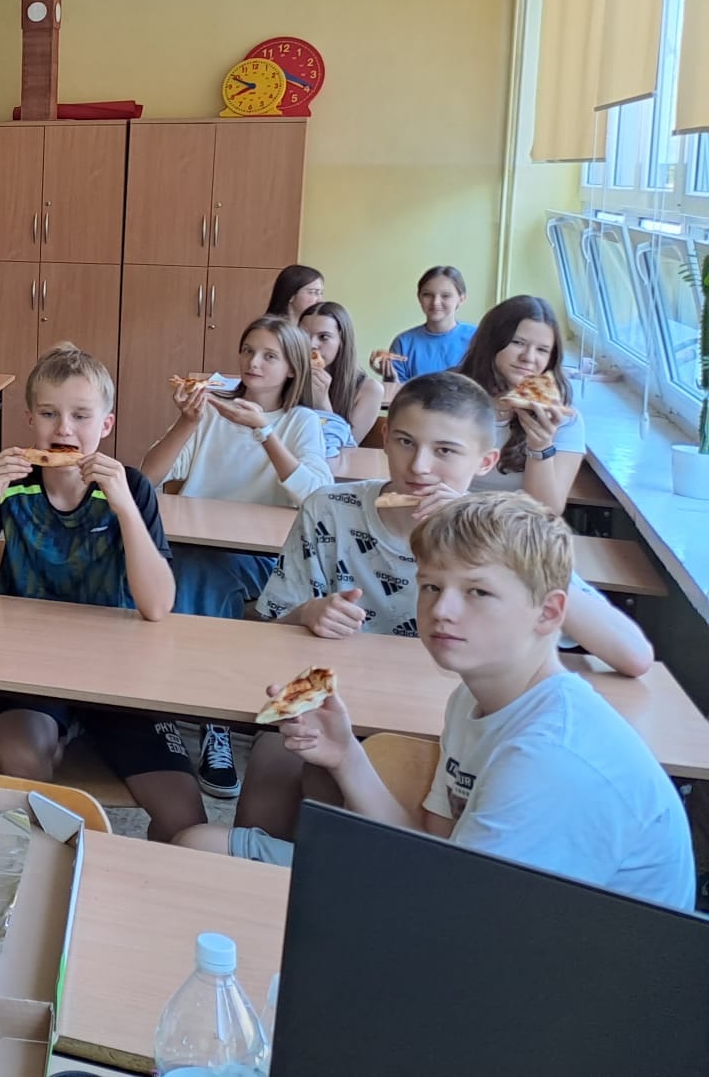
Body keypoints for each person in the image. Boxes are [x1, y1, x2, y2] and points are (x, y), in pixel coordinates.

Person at [181, 493, 694, 910]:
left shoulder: (548, 757)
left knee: (216, 873)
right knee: (200, 846)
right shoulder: (470, 701)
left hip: (548, 971)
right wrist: (345, 755)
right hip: (461, 905)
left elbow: (461, 919)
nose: (442, 609)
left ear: (549, 612)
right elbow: (430, 848)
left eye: (477, 592)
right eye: (430, 586)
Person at [237, 373, 652, 840]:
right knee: (274, 766)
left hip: (449, 721)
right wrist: (308, 613)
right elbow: (268, 621)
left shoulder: (498, 534)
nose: (420, 466)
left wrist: (489, 540)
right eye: (405, 442)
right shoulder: (330, 508)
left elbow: (633, 655)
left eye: (446, 451)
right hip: (342, 706)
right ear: (384, 438)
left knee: (369, 804)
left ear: (486, 461)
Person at [0, 343, 204, 843]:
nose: (63, 429)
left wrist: (125, 509)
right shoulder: (13, 485)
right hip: (28, 671)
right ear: (29, 420)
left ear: (106, 424)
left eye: (81, 416)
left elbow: (157, 605)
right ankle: (46, 865)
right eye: (49, 414)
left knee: (184, 815)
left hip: (120, 676)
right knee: (23, 762)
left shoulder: (131, 487)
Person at [139, 314, 330, 797]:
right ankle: (167, 704)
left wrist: (265, 433)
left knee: (206, 574)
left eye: (269, 356)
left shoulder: (301, 422)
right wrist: (187, 421)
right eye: (248, 351)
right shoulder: (213, 409)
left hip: (257, 557)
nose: (253, 362)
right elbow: (150, 477)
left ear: (292, 368)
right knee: (172, 567)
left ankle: (208, 717)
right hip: (192, 545)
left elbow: (317, 498)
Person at [455, 295, 584, 514]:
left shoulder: (564, 420)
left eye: (542, 350)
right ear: (492, 342)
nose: (528, 357)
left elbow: (546, 512)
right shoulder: (447, 397)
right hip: (447, 515)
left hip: (515, 527)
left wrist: (540, 446)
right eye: (518, 343)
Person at [298, 300, 383, 457]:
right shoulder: (287, 378)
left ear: (342, 341)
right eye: (303, 336)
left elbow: (344, 452)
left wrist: (323, 404)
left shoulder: (369, 389)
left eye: (323, 337)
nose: (311, 344)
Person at [375, 265, 474, 381]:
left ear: (461, 299)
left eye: (445, 296)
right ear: (419, 297)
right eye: (428, 295)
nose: (435, 302)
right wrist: (392, 379)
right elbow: (397, 390)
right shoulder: (403, 343)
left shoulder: (477, 338)